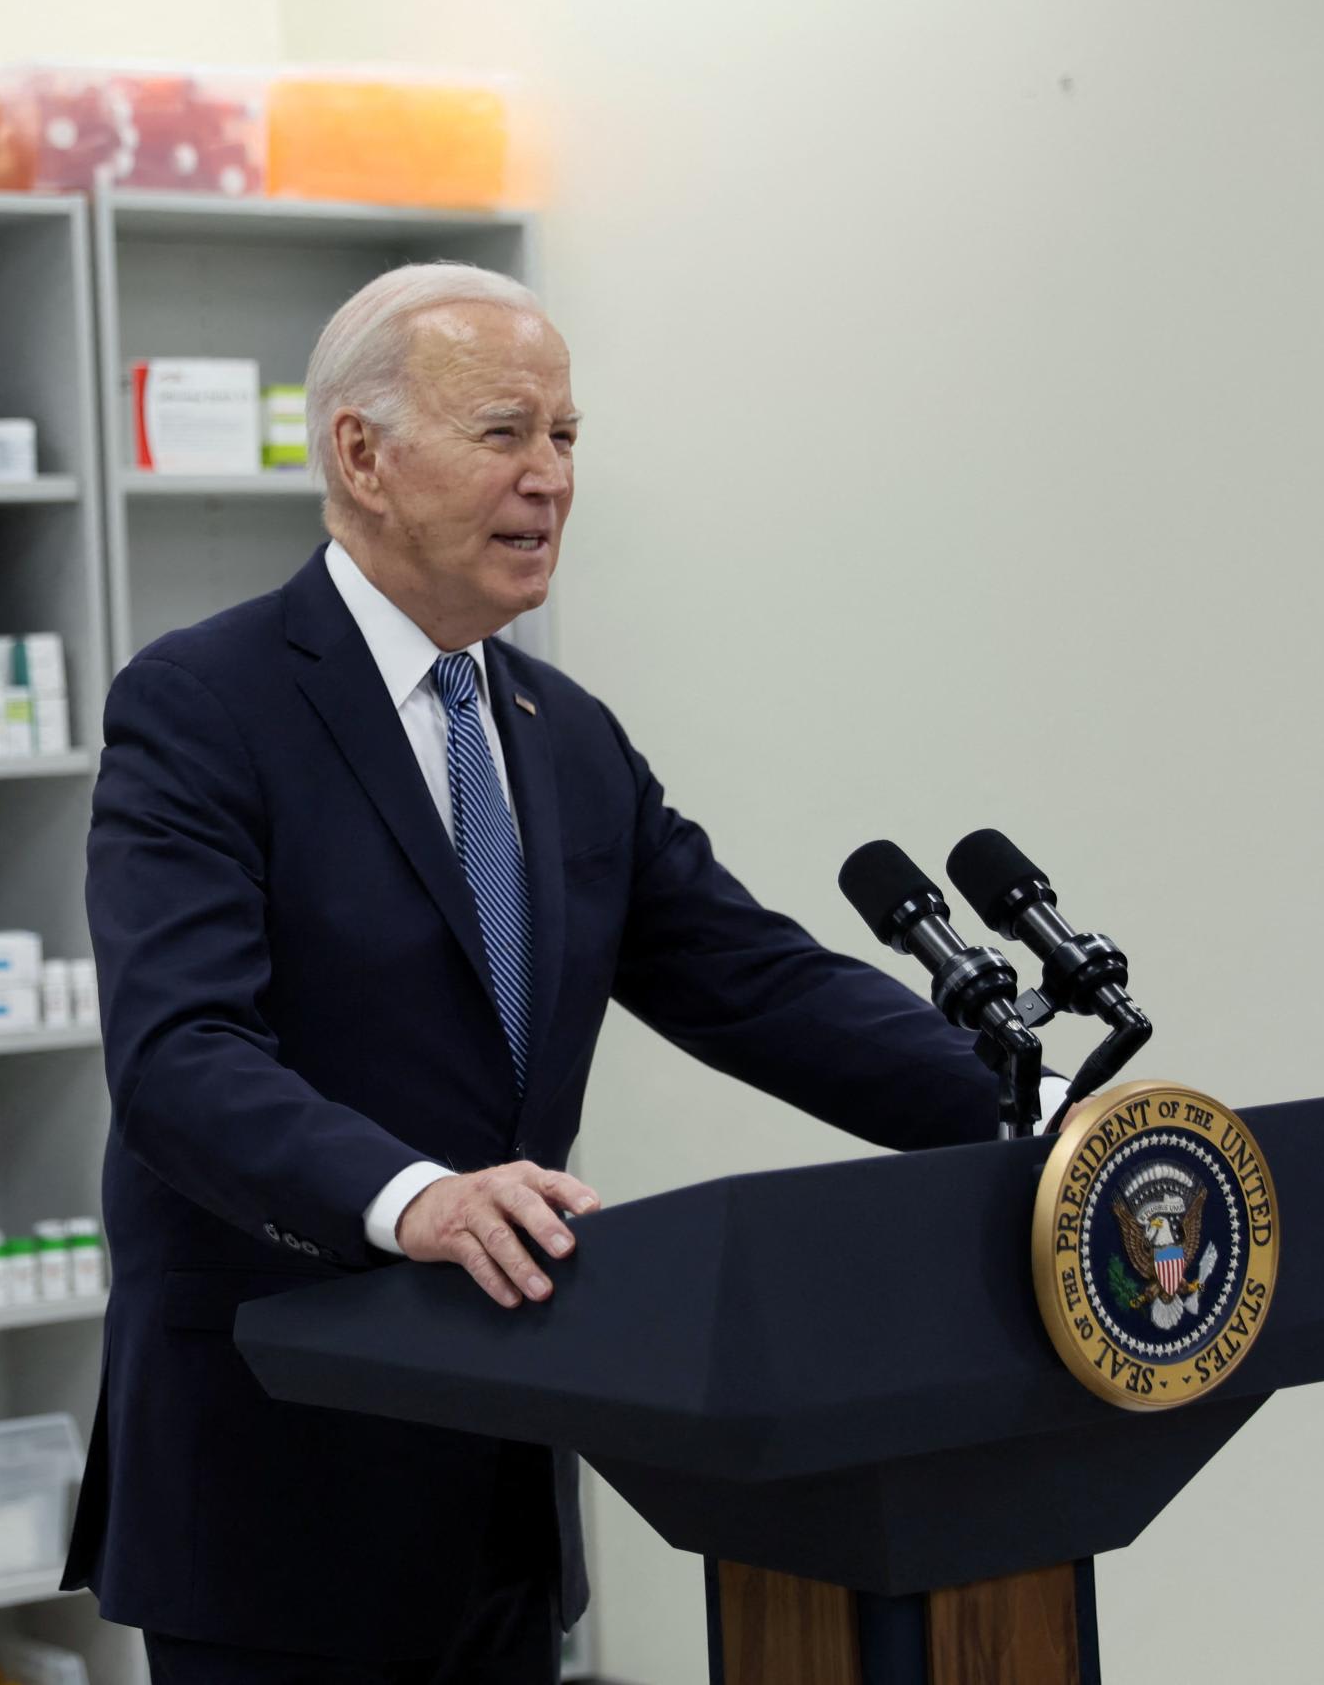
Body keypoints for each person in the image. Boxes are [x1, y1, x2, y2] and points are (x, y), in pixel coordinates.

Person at [67, 263, 1063, 1683]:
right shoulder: (205, 704)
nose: (551, 480)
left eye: (569, 438)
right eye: (504, 435)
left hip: (500, 1483)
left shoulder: (563, 732)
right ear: (360, 452)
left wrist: (1049, 1110)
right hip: (279, 1487)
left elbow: (755, 980)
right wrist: (415, 1201)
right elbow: (180, 1057)